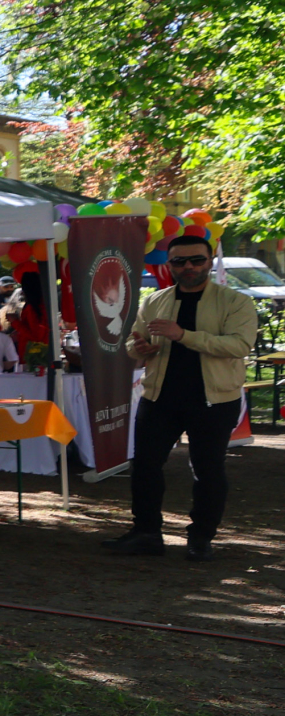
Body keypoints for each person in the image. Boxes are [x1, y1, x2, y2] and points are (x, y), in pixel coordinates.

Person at [108, 233, 258, 560]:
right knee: (145, 465)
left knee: (208, 470)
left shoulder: (235, 302)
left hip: (214, 400)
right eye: (179, 261)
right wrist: (140, 348)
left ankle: (201, 538)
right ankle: (146, 533)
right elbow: (133, 341)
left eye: (196, 260)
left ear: (209, 262)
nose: (188, 266)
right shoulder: (155, 300)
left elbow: (239, 345)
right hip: (159, 397)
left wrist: (183, 335)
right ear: (169, 265)